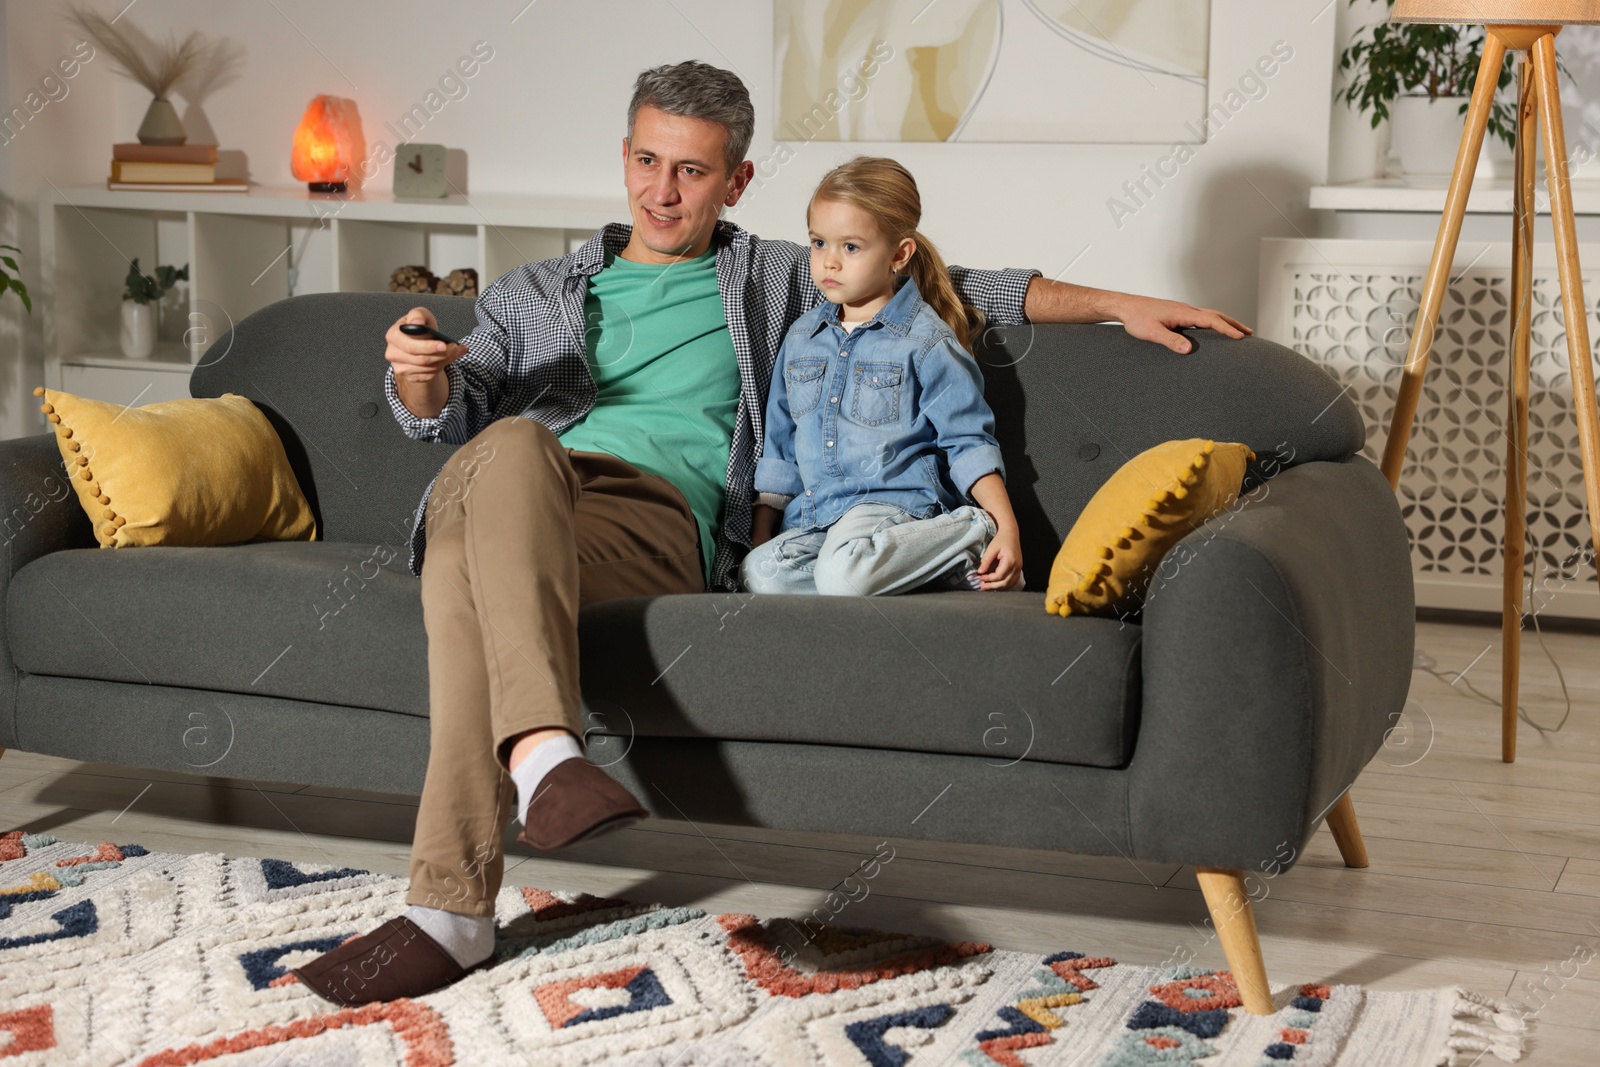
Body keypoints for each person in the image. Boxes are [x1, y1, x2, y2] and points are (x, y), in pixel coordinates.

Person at [292, 60, 1251, 1007]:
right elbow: (445, 411)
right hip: (510, 485)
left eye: (692, 171)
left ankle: (453, 909)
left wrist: (1119, 301)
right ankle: (542, 756)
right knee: (507, 445)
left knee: (463, 573)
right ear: (623, 156)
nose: (661, 191)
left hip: (648, 520)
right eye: (646, 160)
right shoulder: (533, 290)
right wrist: (419, 371)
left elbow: (970, 287)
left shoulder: (779, 279)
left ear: (737, 180)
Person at [742, 156, 1023, 597]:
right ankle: (922, 573)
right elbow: (779, 452)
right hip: (817, 517)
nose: (828, 262)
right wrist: (762, 545)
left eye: (850, 247)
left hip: (896, 508)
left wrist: (1006, 527)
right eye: (818, 243)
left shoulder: (926, 341)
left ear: (899, 254)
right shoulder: (800, 338)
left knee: (843, 577)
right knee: (763, 575)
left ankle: (968, 534)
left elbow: (968, 440)